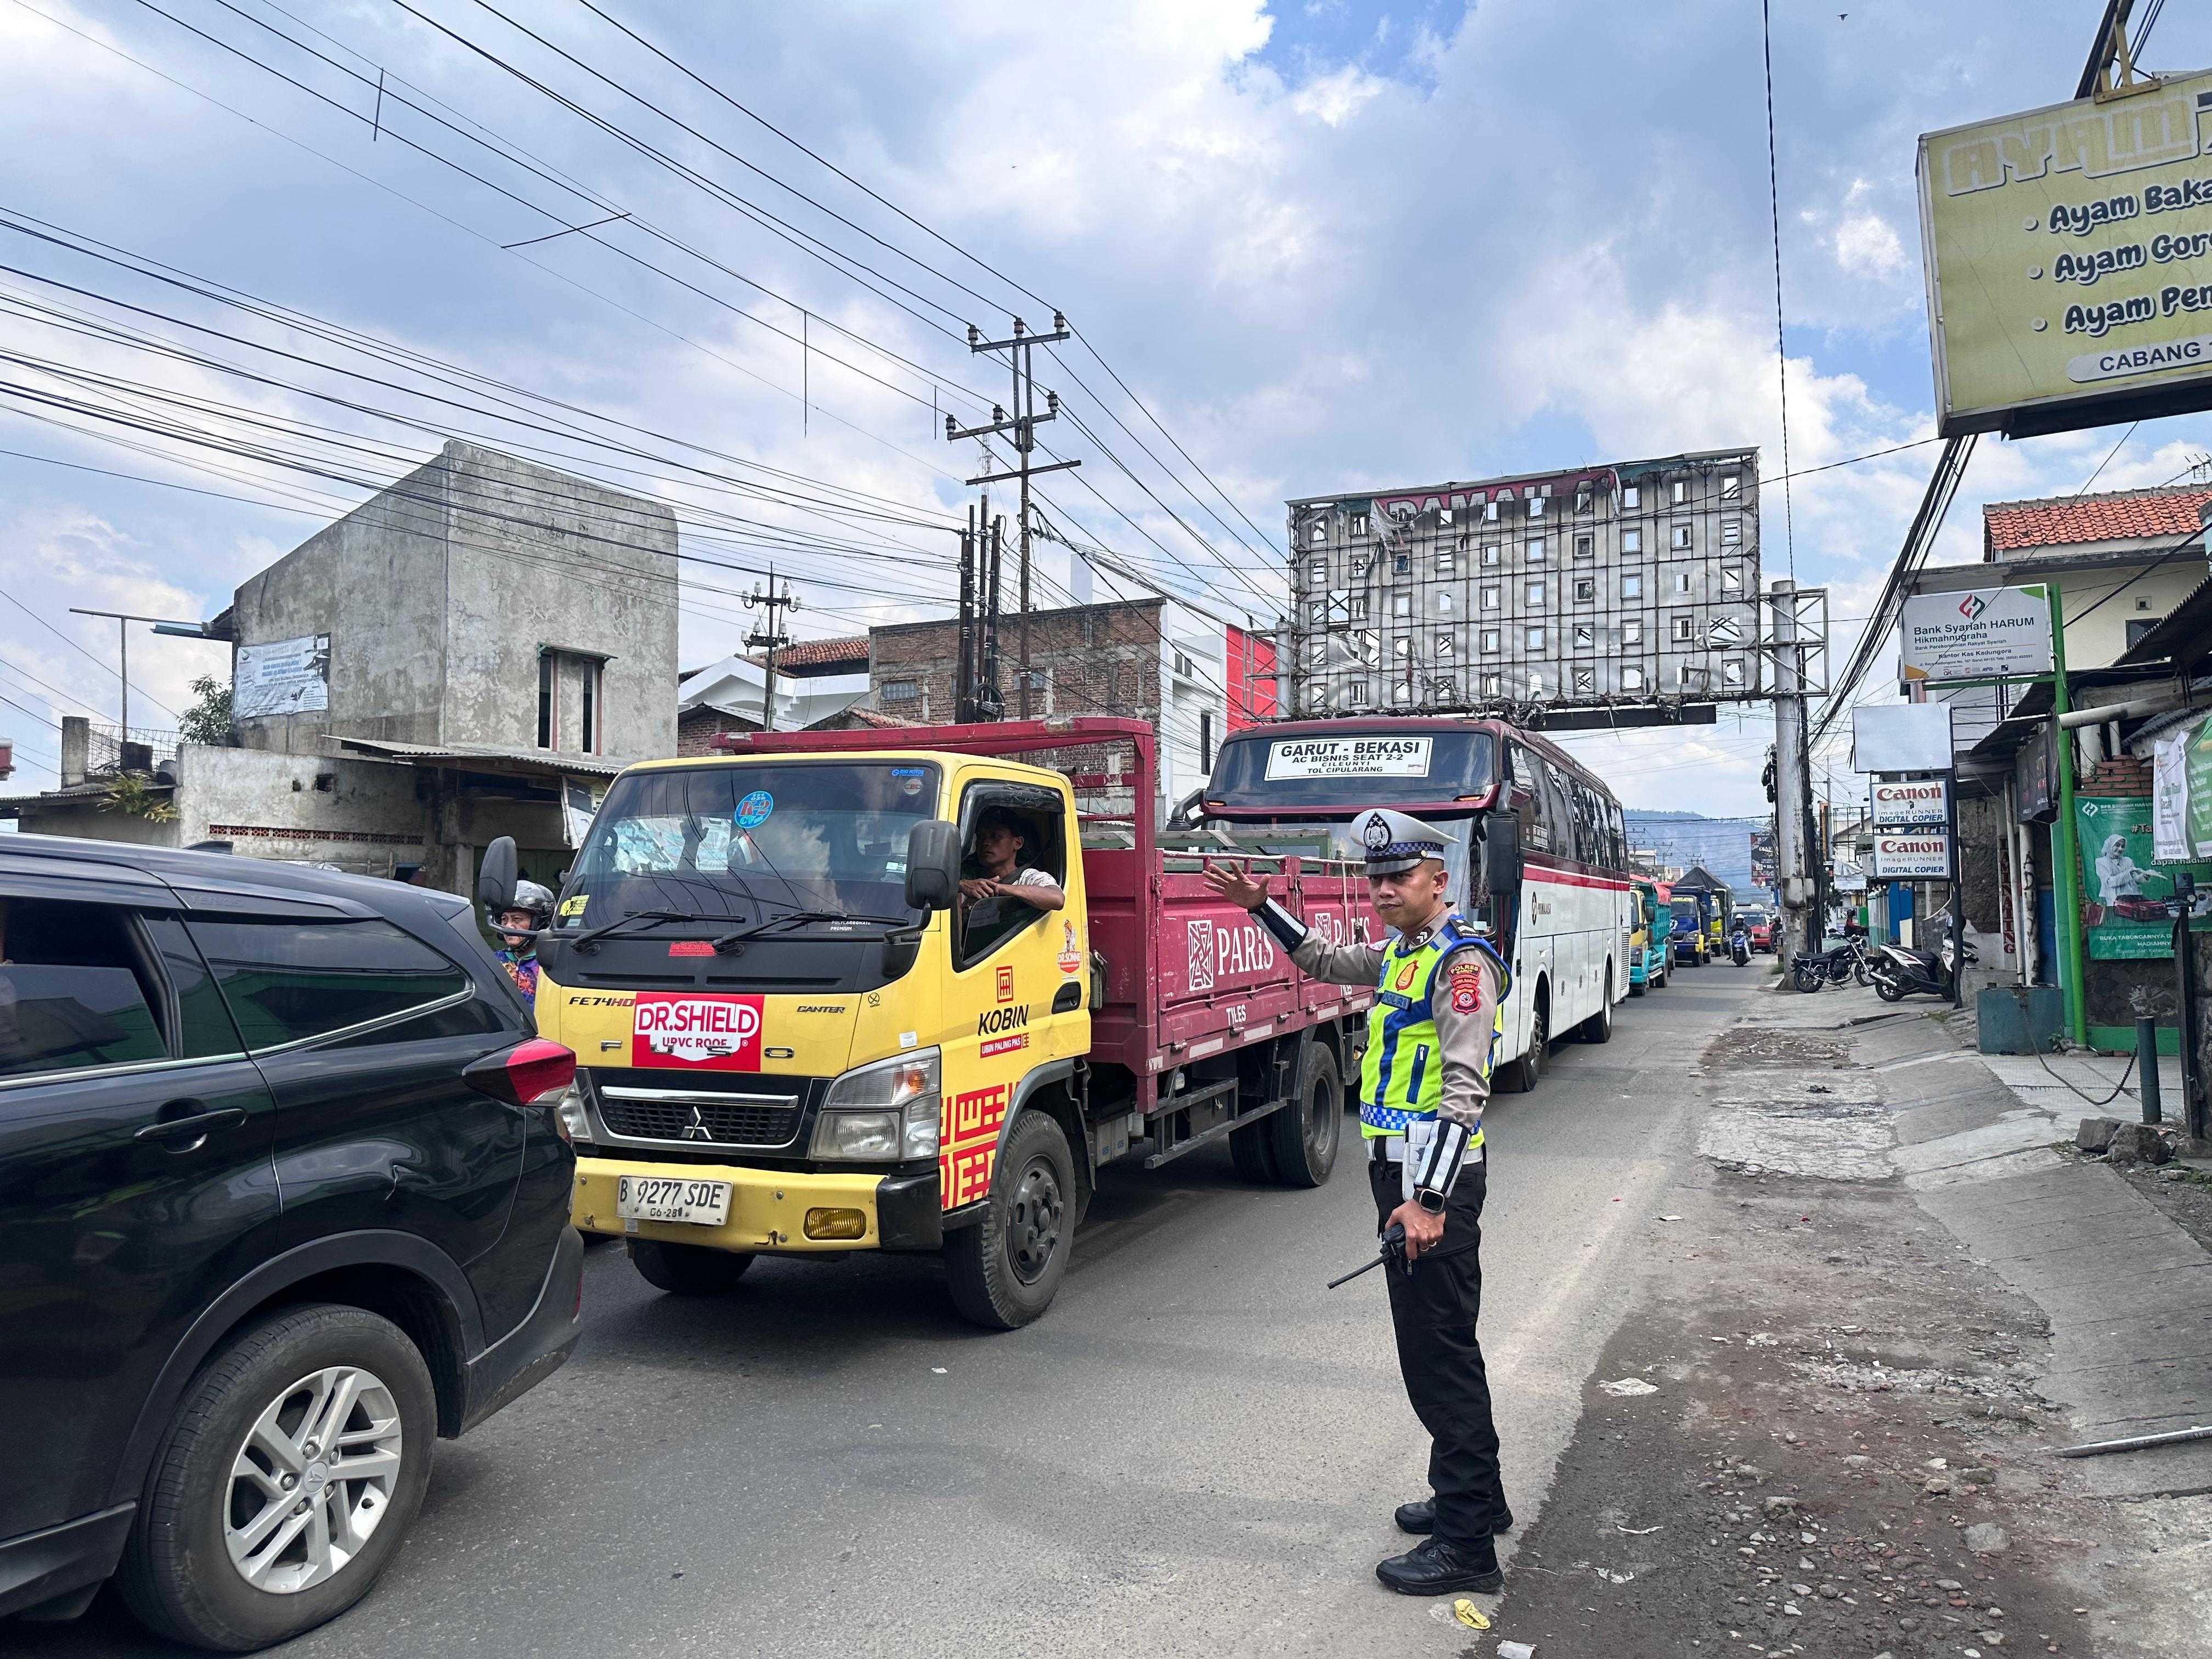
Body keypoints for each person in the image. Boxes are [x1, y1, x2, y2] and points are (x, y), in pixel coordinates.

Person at [1202, 808, 1514, 1598]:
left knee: (1437, 1358)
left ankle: (1468, 1546)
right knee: (1445, 1346)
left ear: (1438, 881)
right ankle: (1473, 1500)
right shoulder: (1403, 953)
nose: (1381, 889)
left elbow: (1464, 1091)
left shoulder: (1459, 964)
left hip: (1429, 1181)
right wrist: (1255, 906)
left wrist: (1429, 1200)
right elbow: (1319, 956)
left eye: (1399, 876)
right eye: (1375, 877)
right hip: (1404, 1178)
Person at [959, 805, 1064, 951]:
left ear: (1018, 843)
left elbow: (1057, 899)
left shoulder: (1029, 878)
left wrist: (1001, 888)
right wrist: (960, 885)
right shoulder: (969, 879)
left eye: (995, 836)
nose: (986, 843)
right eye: (981, 837)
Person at [494, 880, 555, 1008]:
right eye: (504, 920)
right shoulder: (493, 961)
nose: (509, 926)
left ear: (538, 923)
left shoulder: (551, 965)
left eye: (517, 919)